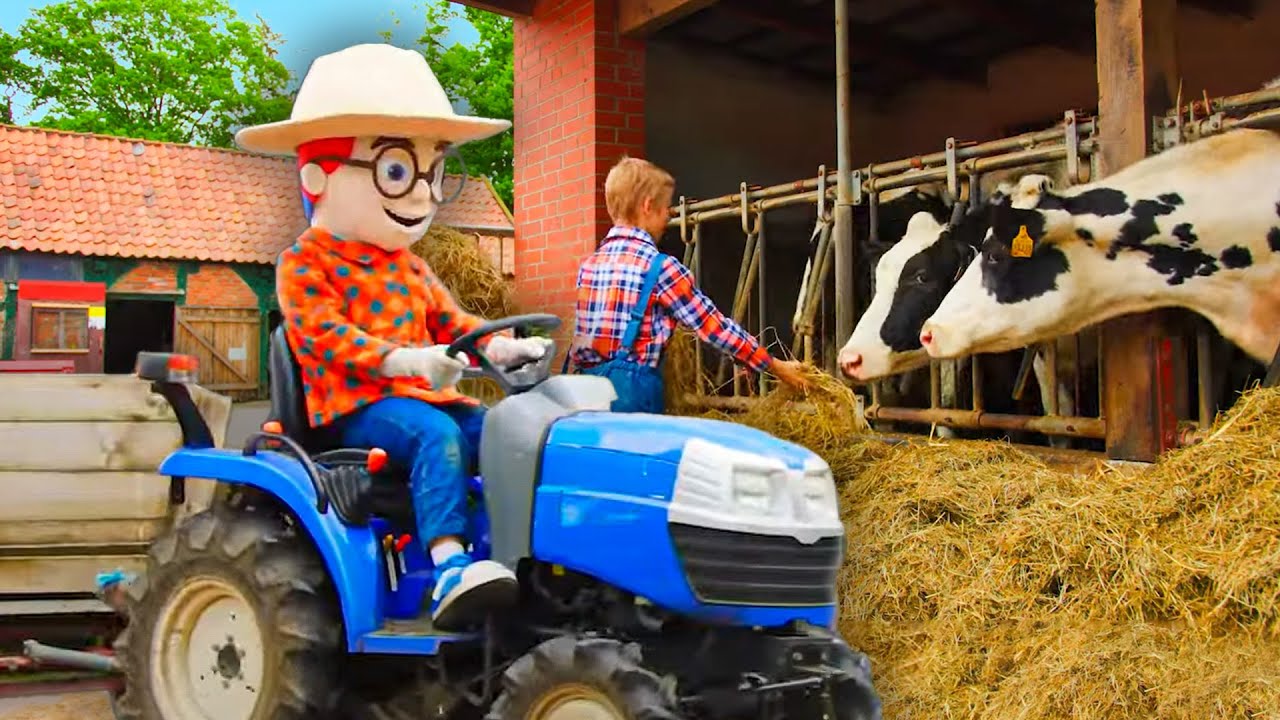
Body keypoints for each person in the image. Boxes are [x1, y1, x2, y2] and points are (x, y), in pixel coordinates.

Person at [235, 43, 551, 630]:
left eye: (432, 173)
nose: (425, 194)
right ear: (317, 175)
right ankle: (450, 564)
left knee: (507, 433)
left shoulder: (408, 266)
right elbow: (323, 339)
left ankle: (522, 557)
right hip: (352, 408)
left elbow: (452, 322)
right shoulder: (305, 263)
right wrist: (405, 360)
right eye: (398, 171)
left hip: (414, 398)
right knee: (436, 436)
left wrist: (500, 347)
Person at [566, 157, 811, 412]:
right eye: (666, 210)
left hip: (586, 400)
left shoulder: (589, 266)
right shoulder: (660, 268)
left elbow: (583, 340)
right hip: (631, 401)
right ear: (648, 206)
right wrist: (774, 365)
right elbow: (715, 328)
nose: (667, 220)